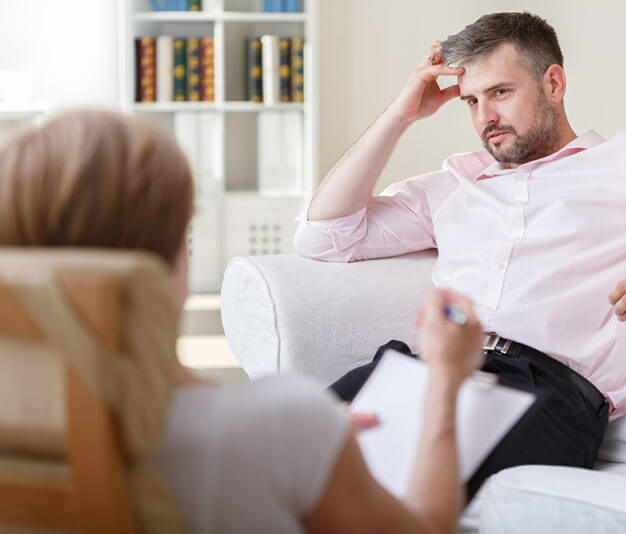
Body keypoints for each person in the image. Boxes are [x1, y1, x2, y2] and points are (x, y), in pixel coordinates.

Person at [293, 11, 626, 500]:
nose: (484, 118)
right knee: (278, 458)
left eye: (499, 93)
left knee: (383, 491)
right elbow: (323, 235)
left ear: (553, 84)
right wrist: (401, 114)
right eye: (470, 101)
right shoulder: (456, 185)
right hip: (427, 369)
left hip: (546, 395)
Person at [0, 109, 485, 534]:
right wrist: (445, 380)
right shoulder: (280, 424)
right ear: (172, 260)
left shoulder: (20, 434)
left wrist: (310, 437)